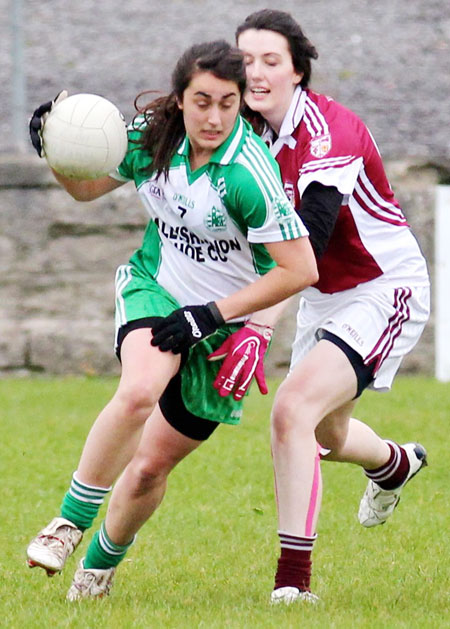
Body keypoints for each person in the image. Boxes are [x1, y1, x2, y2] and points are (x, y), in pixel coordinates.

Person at [25, 40, 318, 600]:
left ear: (241, 104)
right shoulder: (151, 139)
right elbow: (85, 190)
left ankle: (97, 570)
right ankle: (65, 524)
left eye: (227, 104)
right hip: (154, 289)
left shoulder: (248, 174)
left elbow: (299, 269)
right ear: (180, 99)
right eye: (201, 101)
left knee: (148, 469)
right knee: (138, 391)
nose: (213, 117)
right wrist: (57, 150)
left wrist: (213, 315)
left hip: (222, 328)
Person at [203, 10, 429, 604]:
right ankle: (394, 464)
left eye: (270, 61)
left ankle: (292, 585)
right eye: (245, 60)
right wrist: (90, 130)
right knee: (328, 432)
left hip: (385, 288)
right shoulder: (242, 130)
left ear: (298, 71)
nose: (255, 73)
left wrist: (254, 327)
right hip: (322, 299)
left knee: (291, 410)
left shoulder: (332, 133)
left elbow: (309, 244)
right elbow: (181, 117)